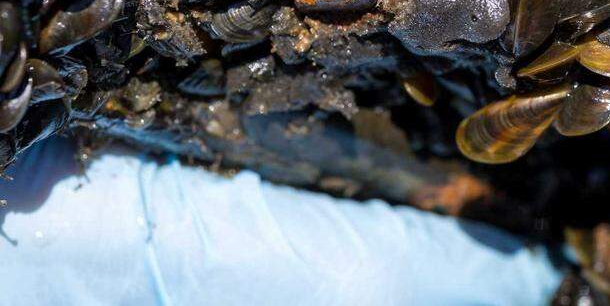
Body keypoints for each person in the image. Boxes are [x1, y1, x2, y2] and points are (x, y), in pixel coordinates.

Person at [1, 137, 562, 305]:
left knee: (378, 273)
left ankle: (558, 283)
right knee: (375, 274)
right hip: (112, 214)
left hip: (94, 192)